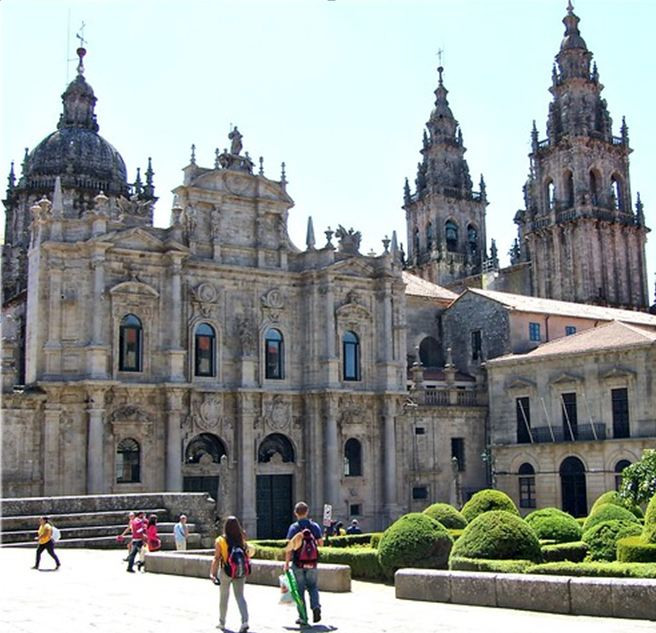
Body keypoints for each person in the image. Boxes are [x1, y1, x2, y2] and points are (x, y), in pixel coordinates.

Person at [284, 502, 323, 626]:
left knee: (299, 590)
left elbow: (289, 548)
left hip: (298, 564)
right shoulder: (314, 526)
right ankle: (316, 606)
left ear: (296, 513)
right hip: (312, 563)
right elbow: (321, 544)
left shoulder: (294, 527)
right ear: (307, 512)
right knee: (313, 586)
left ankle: (303, 617)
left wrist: (286, 563)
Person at [209, 516, 250, 633]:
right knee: (240, 596)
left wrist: (212, 573)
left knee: (224, 597)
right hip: (240, 571)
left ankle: (222, 623)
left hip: (226, 571)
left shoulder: (220, 540)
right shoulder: (242, 538)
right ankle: (245, 621)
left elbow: (216, 558)